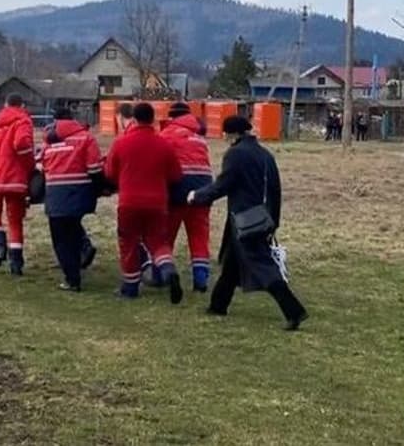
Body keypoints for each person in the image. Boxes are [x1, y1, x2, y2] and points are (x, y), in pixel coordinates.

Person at [189, 116, 308, 331]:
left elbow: (223, 185)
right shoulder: (265, 154)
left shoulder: (236, 155)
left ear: (232, 134)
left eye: (226, 134)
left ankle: (294, 311)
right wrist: (273, 221)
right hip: (262, 218)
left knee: (264, 267)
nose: (225, 137)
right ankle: (218, 305)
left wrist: (197, 196)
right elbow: (275, 190)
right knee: (231, 264)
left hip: (245, 221)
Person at [105, 103, 184, 302]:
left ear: (134, 118)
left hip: (129, 202)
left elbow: (109, 173)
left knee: (129, 242)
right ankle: (167, 269)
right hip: (157, 203)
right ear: (153, 119)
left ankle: (130, 288)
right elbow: (176, 174)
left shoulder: (121, 143)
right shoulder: (163, 143)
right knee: (158, 241)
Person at [39, 107, 103, 292]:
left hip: (55, 194)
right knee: (73, 229)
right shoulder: (86, 138)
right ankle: (82, 252)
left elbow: (41, 166)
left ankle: (72, 278)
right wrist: (99, 189)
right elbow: (94, 169)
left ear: (55, 121)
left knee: (60, 239)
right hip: (79, 192)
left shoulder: (48, 140)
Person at [160, 102, 214, 292]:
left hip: (177, 190)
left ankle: (163, 273)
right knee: (199, 236)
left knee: (166, 235)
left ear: (172, 117)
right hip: (203, 190)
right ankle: (201, 279)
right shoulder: (199, 136)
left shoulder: (167, 134)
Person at [0, 93, 35, 275]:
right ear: (22, 105)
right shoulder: (22, 121)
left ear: (5, 104)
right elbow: (22, 144)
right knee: (15, 219)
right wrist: (30, 166)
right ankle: (16, 262)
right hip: (14, 178)